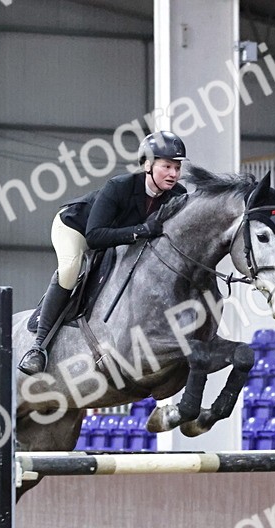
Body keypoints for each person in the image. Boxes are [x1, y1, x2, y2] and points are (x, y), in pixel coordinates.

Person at [18, 131, 189, 375]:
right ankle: (38, 348)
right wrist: (140, 230)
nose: (173, 174)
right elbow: (95, 236)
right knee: (70, 269)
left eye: (177, 167)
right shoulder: (119, 187)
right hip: (75, 228)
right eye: (167, 166)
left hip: (116, 237)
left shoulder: (177, 195)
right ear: (148, 165)